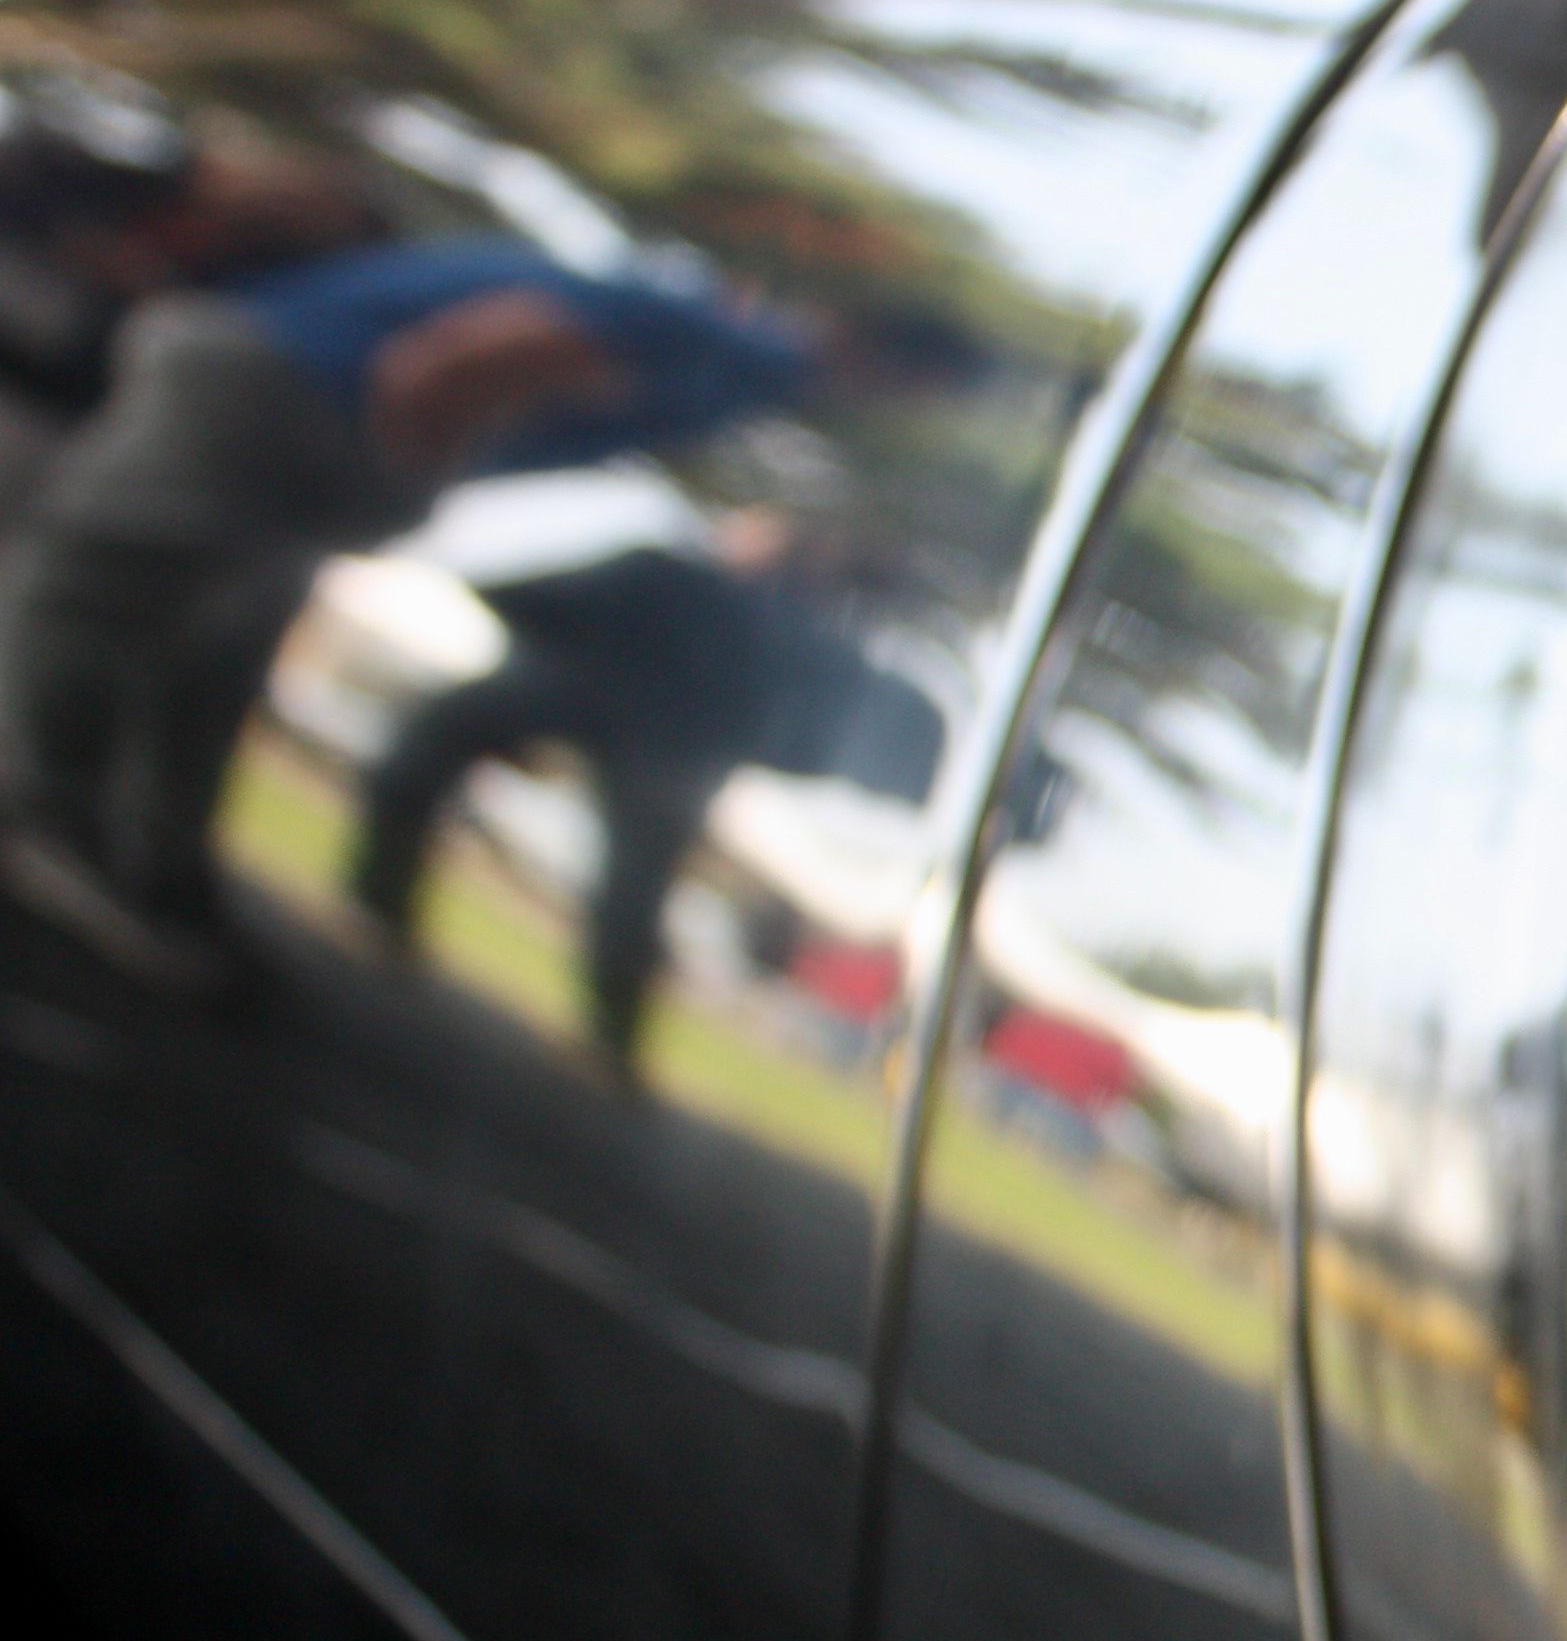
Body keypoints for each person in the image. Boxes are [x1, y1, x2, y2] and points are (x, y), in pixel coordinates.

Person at [0, 233, 824, 996]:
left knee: (215, 647)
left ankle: (153, 863)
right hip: (281, 391)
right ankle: (50, 818)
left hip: (283, 395)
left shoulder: (693, 329)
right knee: (93, 591)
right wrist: (411, 470)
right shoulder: (731, 342)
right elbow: (475, 353)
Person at [351, 507, 944, 1072]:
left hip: (622, 717)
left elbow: (543, 596)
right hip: (660, 746)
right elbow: (829, 735)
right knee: (628, 891)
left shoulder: (690, 589)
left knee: (442, 742)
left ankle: (381, 908)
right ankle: (607, 1036)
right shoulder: (781, 640)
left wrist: (490, 590)